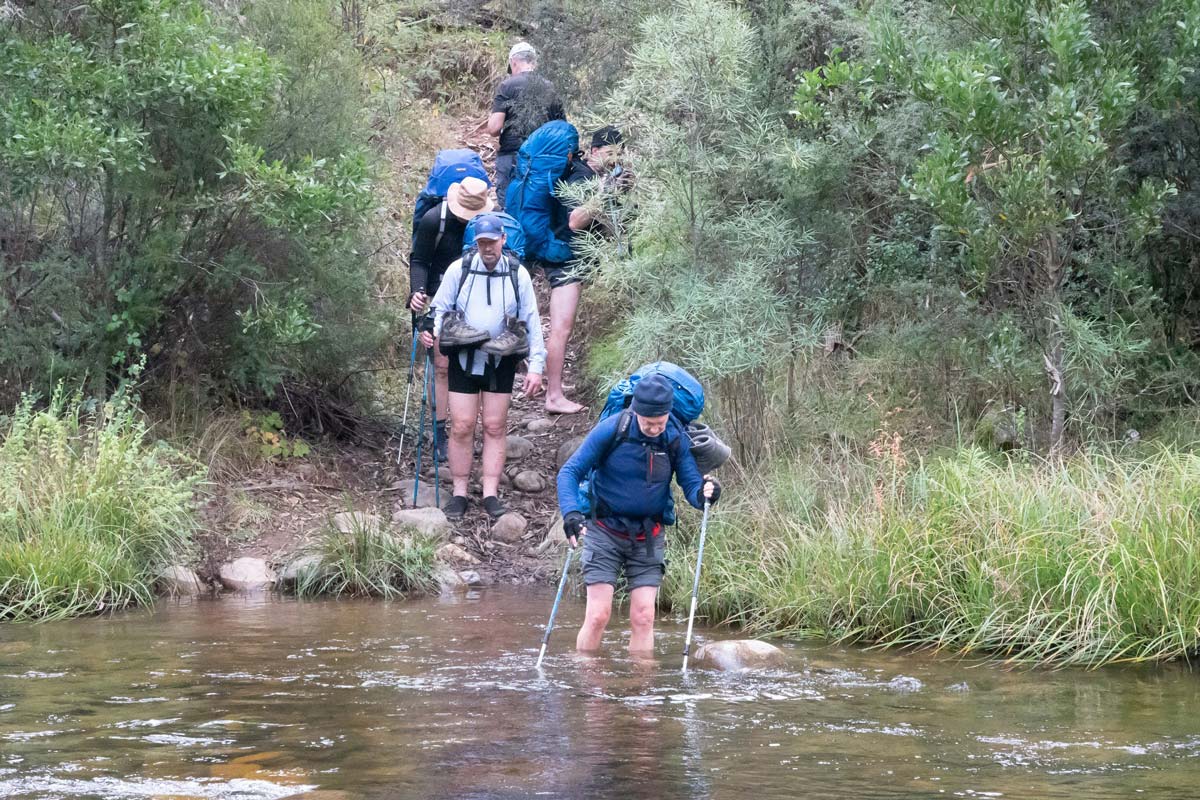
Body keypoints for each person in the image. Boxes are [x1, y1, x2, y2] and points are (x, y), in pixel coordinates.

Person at [555, 375, 722, 654]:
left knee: (644, 617)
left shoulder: (674, 437)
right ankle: (588, 689)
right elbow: (569, 472)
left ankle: (640, 690)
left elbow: (692, 486)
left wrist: (707, 492)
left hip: (649, 536)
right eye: (649, 423)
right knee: (598, 616)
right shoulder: (612, 429)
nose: (655, 428)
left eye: (661, 422)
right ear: (636, 412)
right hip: (604, 531)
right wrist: (571, 513)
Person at [420, 214, 546, 520]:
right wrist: (430, 329)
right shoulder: (459, 269)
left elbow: (532, 319)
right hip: (464, 356)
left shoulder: (517, 274)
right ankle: (460, 492)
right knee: (462, 425)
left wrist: (536, 366)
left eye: (492, 241)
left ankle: (490, 492)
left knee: (494, 425)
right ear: (476, 243)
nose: (487, 248)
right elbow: (440, 308)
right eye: (482, 243)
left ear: (503, 239)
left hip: (501, 359)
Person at [539, 125, 631, 415]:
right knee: (561, 328)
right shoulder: (582, 176)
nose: (616, 159)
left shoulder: (585, 173)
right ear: (594, 151)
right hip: (565, 260)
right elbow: (576, 220)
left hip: (569, 257)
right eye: (610, 153)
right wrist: (607, 192)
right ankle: (553, 396)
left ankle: (554, 386)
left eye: (620, 154)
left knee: (562, 327)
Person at [410, 176, 494, 461]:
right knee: (443, 367)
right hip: (441, 298)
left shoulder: (490, 224)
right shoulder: (436, 219)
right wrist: (417, 291)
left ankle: (467, 429)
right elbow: (419, 259)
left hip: (479, 300)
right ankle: (441, 433)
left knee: (478, 366)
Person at [488, 42, 564, 210]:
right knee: (536, 207)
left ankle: (510, 235)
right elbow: (561, 127)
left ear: (513, 62)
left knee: (509, 206)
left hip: (512, 156)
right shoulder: (550, 87)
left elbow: (494, 128)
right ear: (533, 62)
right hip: (542, 157)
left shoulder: (507, 86)